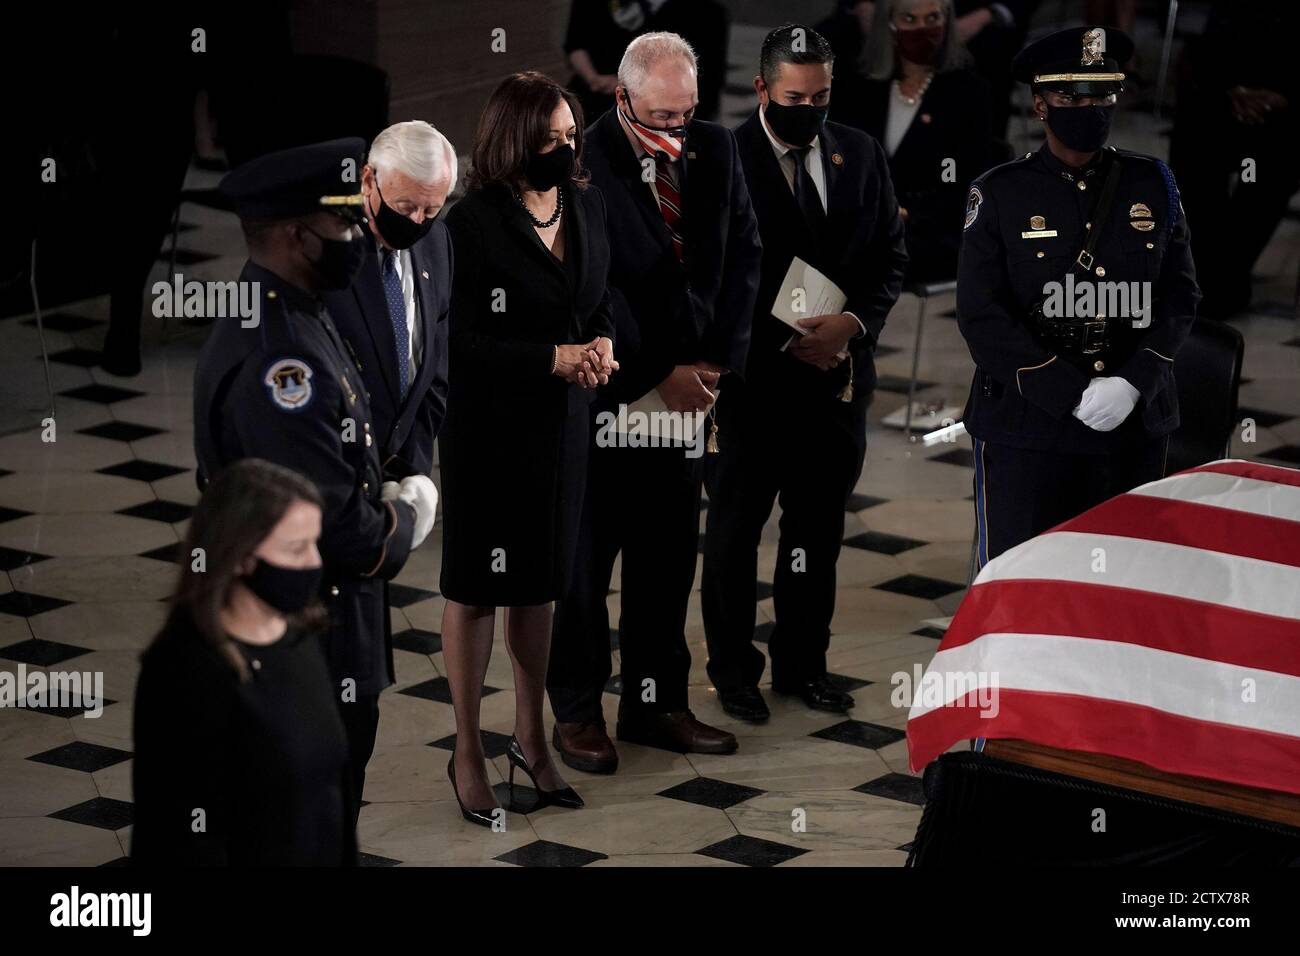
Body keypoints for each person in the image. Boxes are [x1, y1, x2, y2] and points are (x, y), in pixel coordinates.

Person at [192, 138, 438, 828]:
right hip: (306, 636)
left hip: (324, 631)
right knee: (302, 825)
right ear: (299, 235)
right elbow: (329, 524)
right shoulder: (283, 361)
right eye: (346, 224)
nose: (361, 235)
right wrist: (408, 519)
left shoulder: (296, 309)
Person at [547, 32, 762, 773]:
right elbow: (592, 290)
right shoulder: (580, 162)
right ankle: (577, 711)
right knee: (585, 564)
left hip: (685, 399)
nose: (677, 130)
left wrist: (713, 365)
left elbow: (745, 254)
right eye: (661, 117)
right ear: (623, 97)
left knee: (667, 559)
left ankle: (654, 703)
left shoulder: (716, 147)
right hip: (611, 396)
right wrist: (653, 374)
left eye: (687, 113)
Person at [704, 24, 907, 722]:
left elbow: (889, 258)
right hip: (753, 387)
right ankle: (733, 673)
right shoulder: (721, 157)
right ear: (762, 89)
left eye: (821, 96)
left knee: (815, 535)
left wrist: (850, 327)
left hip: (836, 383)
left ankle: (801, 666)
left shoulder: (860, 152)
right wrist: (784, 340)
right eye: (795, 96)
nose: (810, 109)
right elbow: (707, 277)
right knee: (734, 534)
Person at [439, 71, 617, 826]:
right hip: (489, 428)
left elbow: (598, 295)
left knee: (542, 582)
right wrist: (552, 358)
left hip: (564, 428)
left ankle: (531, 737)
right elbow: (459, 339)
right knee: (479, 586)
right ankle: (469, 751)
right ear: (513, 139)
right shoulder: (469, 223)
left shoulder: (585, 200)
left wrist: (602, 341)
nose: (568, 148)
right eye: (553, 138)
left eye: (573, 135)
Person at [956, 27, 1200, 567]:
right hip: (1029, 423)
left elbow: (1179, 294)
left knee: (1123, 583)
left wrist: (1134, 382)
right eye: (1072, 97)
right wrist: (1064, 389)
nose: (1088, 107)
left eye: (1101, 95)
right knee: (1020, 579)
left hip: (1129, 423)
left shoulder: (1153, 183)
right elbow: (981, 312)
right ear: (1041, 104)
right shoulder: (999, 191)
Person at [132, 459, 354, 866]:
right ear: (239, 556)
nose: (314, 563)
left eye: (315, 543)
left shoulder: (299, 639)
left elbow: (329, 800)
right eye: (295, 548)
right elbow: (178, 838)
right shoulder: (186, 671)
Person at [323, 120, 455, 480]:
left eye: (430, 210)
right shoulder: (325, 250)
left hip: (399, 473)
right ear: (368, 180)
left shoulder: (437, 243)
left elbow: (434, 377)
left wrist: (411, 472)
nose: (416, 221)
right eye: (405, 205)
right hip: (331, 474)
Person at [833, 0, 991, 282]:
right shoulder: (860, 85)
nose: (923, 30)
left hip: (930, 229)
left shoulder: (967, 92)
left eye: (933, 18)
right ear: (890, 25)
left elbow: (961, 182)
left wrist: (903, 213)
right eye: (910, 19)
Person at [1169, 0, 1300, 318]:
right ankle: (1206, 266)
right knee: (1197, 136)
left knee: (1262, 169)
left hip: (1286, 109)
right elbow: (1213, 43)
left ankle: (1227, 273)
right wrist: (1234, 90)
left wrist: (1283, 98)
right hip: (1231, 96)